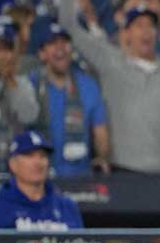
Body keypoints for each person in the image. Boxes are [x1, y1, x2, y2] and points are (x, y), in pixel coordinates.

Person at [58, 0, 160, 175]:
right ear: (126, 33)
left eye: (151, 26)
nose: (146, 32)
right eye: (139, 26)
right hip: (120, 172)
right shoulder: (109, 62)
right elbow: (69, 27)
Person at [30, 22, 111, 176]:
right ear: (42, 54)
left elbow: (100, 130)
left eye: (64, 42)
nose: (60, 48)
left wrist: (102, 157)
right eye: (53, 43)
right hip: (40, 176)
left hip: (81, 177)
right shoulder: (30, 85)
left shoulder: (88, 85)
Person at [0, 16, 39, 175]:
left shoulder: (20, 84)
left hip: (8, 170)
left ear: (12, 53)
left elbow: (29, 116)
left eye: (3, 49)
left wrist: (10, 81)